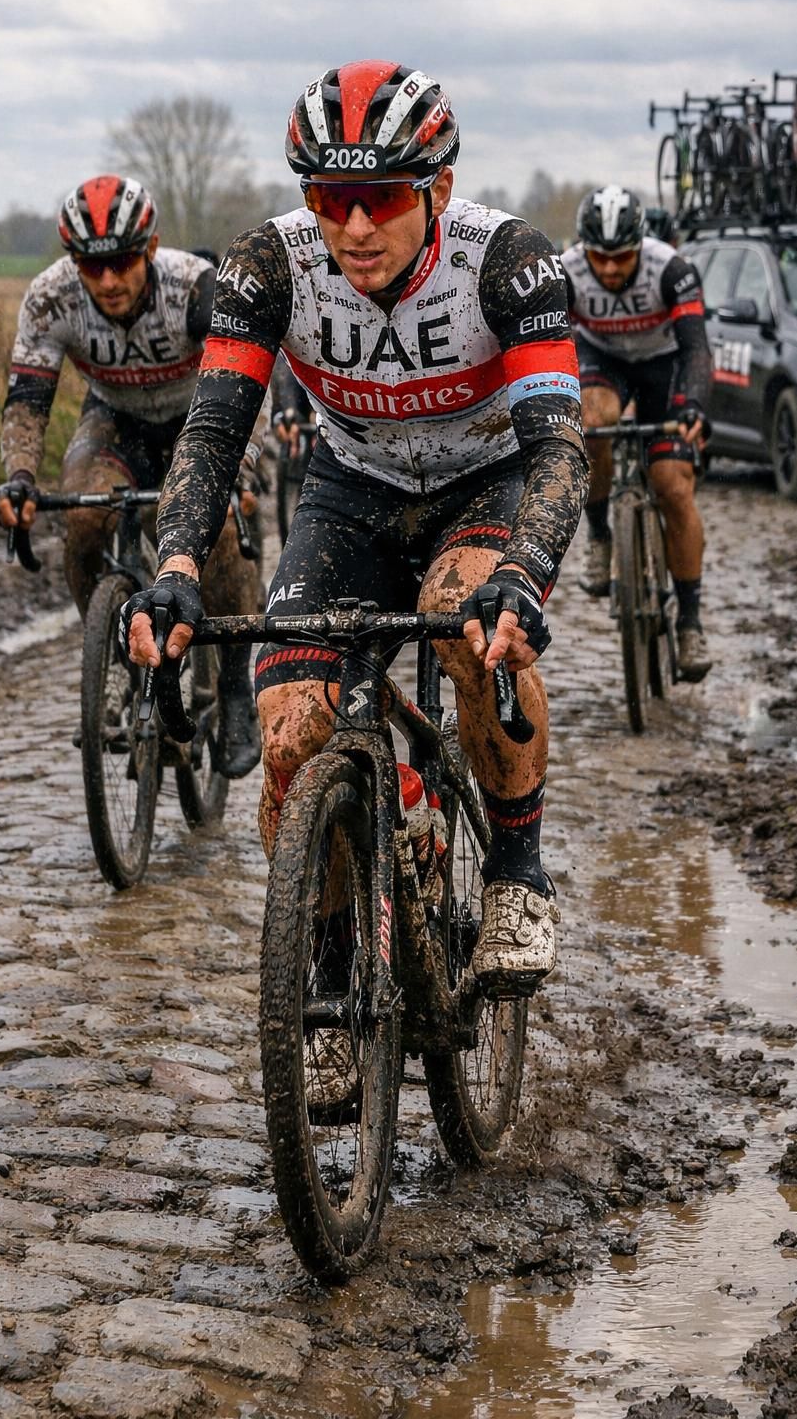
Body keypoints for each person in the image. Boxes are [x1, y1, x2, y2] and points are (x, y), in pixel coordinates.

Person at [125, 60, 588, 994]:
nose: (356, 226)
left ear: (438, 187)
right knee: (294, 733)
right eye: (333, 199)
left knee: (467, 621)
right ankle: (334, 970)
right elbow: (214, 430)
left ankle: (515, 872)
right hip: (351, 490)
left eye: (380, 197)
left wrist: (525, 571)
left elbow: (560, 450)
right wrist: (175, 562)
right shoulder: (268, 266)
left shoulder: (504, 262)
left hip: (484, 482)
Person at [0, 174, 263, 777]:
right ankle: (114, 645)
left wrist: (240, 470)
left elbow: (248, 379)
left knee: (213, 529)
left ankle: (238, 687)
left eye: (120, 263)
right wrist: (21, 479)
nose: (108, 281)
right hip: (115, 420)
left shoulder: (193, 288)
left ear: (149, 247)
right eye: (92, 266)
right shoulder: (50, 298)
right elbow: (28, 400)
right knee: (85, 516)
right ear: (73, 262)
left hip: (202, 416)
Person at [562, 185, 713, 682]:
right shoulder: (567, 272)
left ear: (640, 245)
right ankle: (602, 535)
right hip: (602, 360)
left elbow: (696, 350)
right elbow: (551, 344)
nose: (608, 270)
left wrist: (692, 405)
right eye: (598, 258)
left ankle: (689, 620)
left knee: (672, 485)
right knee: (591, 422)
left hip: (663, 366)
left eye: (620, 258)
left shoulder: (671, 270)